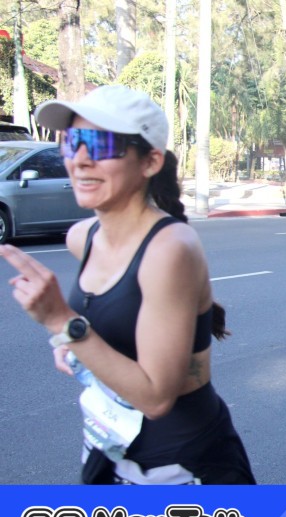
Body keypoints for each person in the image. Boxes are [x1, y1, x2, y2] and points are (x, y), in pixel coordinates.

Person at [0, 85, 255, 484]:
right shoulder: (82, 237)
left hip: (180, 465)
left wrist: (62, 323)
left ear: (150, 161)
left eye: (99, 144)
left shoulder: (169, 249)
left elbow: (156, 397)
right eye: (71, 141)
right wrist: (72, 345)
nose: (80, 158)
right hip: (108, 446)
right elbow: (112, 325)